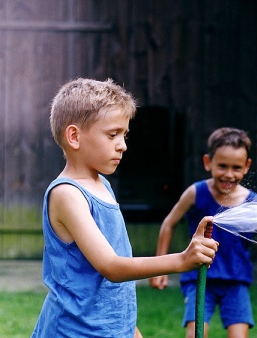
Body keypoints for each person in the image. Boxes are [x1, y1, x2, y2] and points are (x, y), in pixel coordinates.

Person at [31, 78, 219, 338]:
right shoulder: (67, 194)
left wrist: (130, 329)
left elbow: (111, 281)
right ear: (74, 136)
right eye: (112, 135)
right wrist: (182, 259)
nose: (123, 144)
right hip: (74, 331)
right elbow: (112, 267)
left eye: (124, 135)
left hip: (109, 329)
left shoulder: (103, 185)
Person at [149, 127, 257, 338]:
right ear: (208, 162)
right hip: (199, 277)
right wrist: (159, 266)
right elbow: (169, 223)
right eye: (222, 166)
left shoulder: (251, 201)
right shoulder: (197, 192)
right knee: (196, 334)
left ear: (247, 166)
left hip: (235, 280)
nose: (229, 174)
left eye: (236, 167)